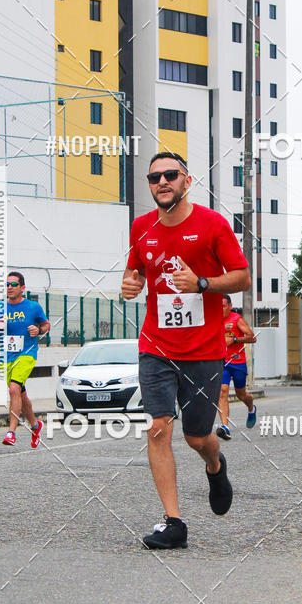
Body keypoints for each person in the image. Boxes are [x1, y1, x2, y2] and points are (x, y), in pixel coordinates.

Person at [121, 151, 250, 550]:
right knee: (159, 427)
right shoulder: (141, 228)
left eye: (170, 175)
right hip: (156, 346)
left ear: (186, 180)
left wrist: (203, 284)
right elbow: (135, 271)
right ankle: (173, 523)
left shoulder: (211, 224)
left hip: (203, 352)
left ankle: (215, 465)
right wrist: (130, 284)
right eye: (154, 177)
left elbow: (242, 277)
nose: (162, 182)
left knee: (198, 438)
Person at [0, 272, 50, 447]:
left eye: (13, 284)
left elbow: (46, 324)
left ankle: (11, 432)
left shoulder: (33, 307)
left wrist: (38, 330)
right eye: (7, 284)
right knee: (20, 394)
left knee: (13, 389)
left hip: (27, 353)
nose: (9, 287)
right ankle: (35, 425)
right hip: (6, 356)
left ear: (22, 288)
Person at [216, 295, 257, 440]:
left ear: (230, 306)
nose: (221, 309)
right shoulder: (213, 320)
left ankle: (251, 407)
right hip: (223, 362)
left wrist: (233, 340)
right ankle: (225, 426)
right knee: (223, 391)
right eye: (218, 306)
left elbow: (252, 337)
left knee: (242, 395)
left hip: (238, 362)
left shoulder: (236, 319)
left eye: (223, 306)